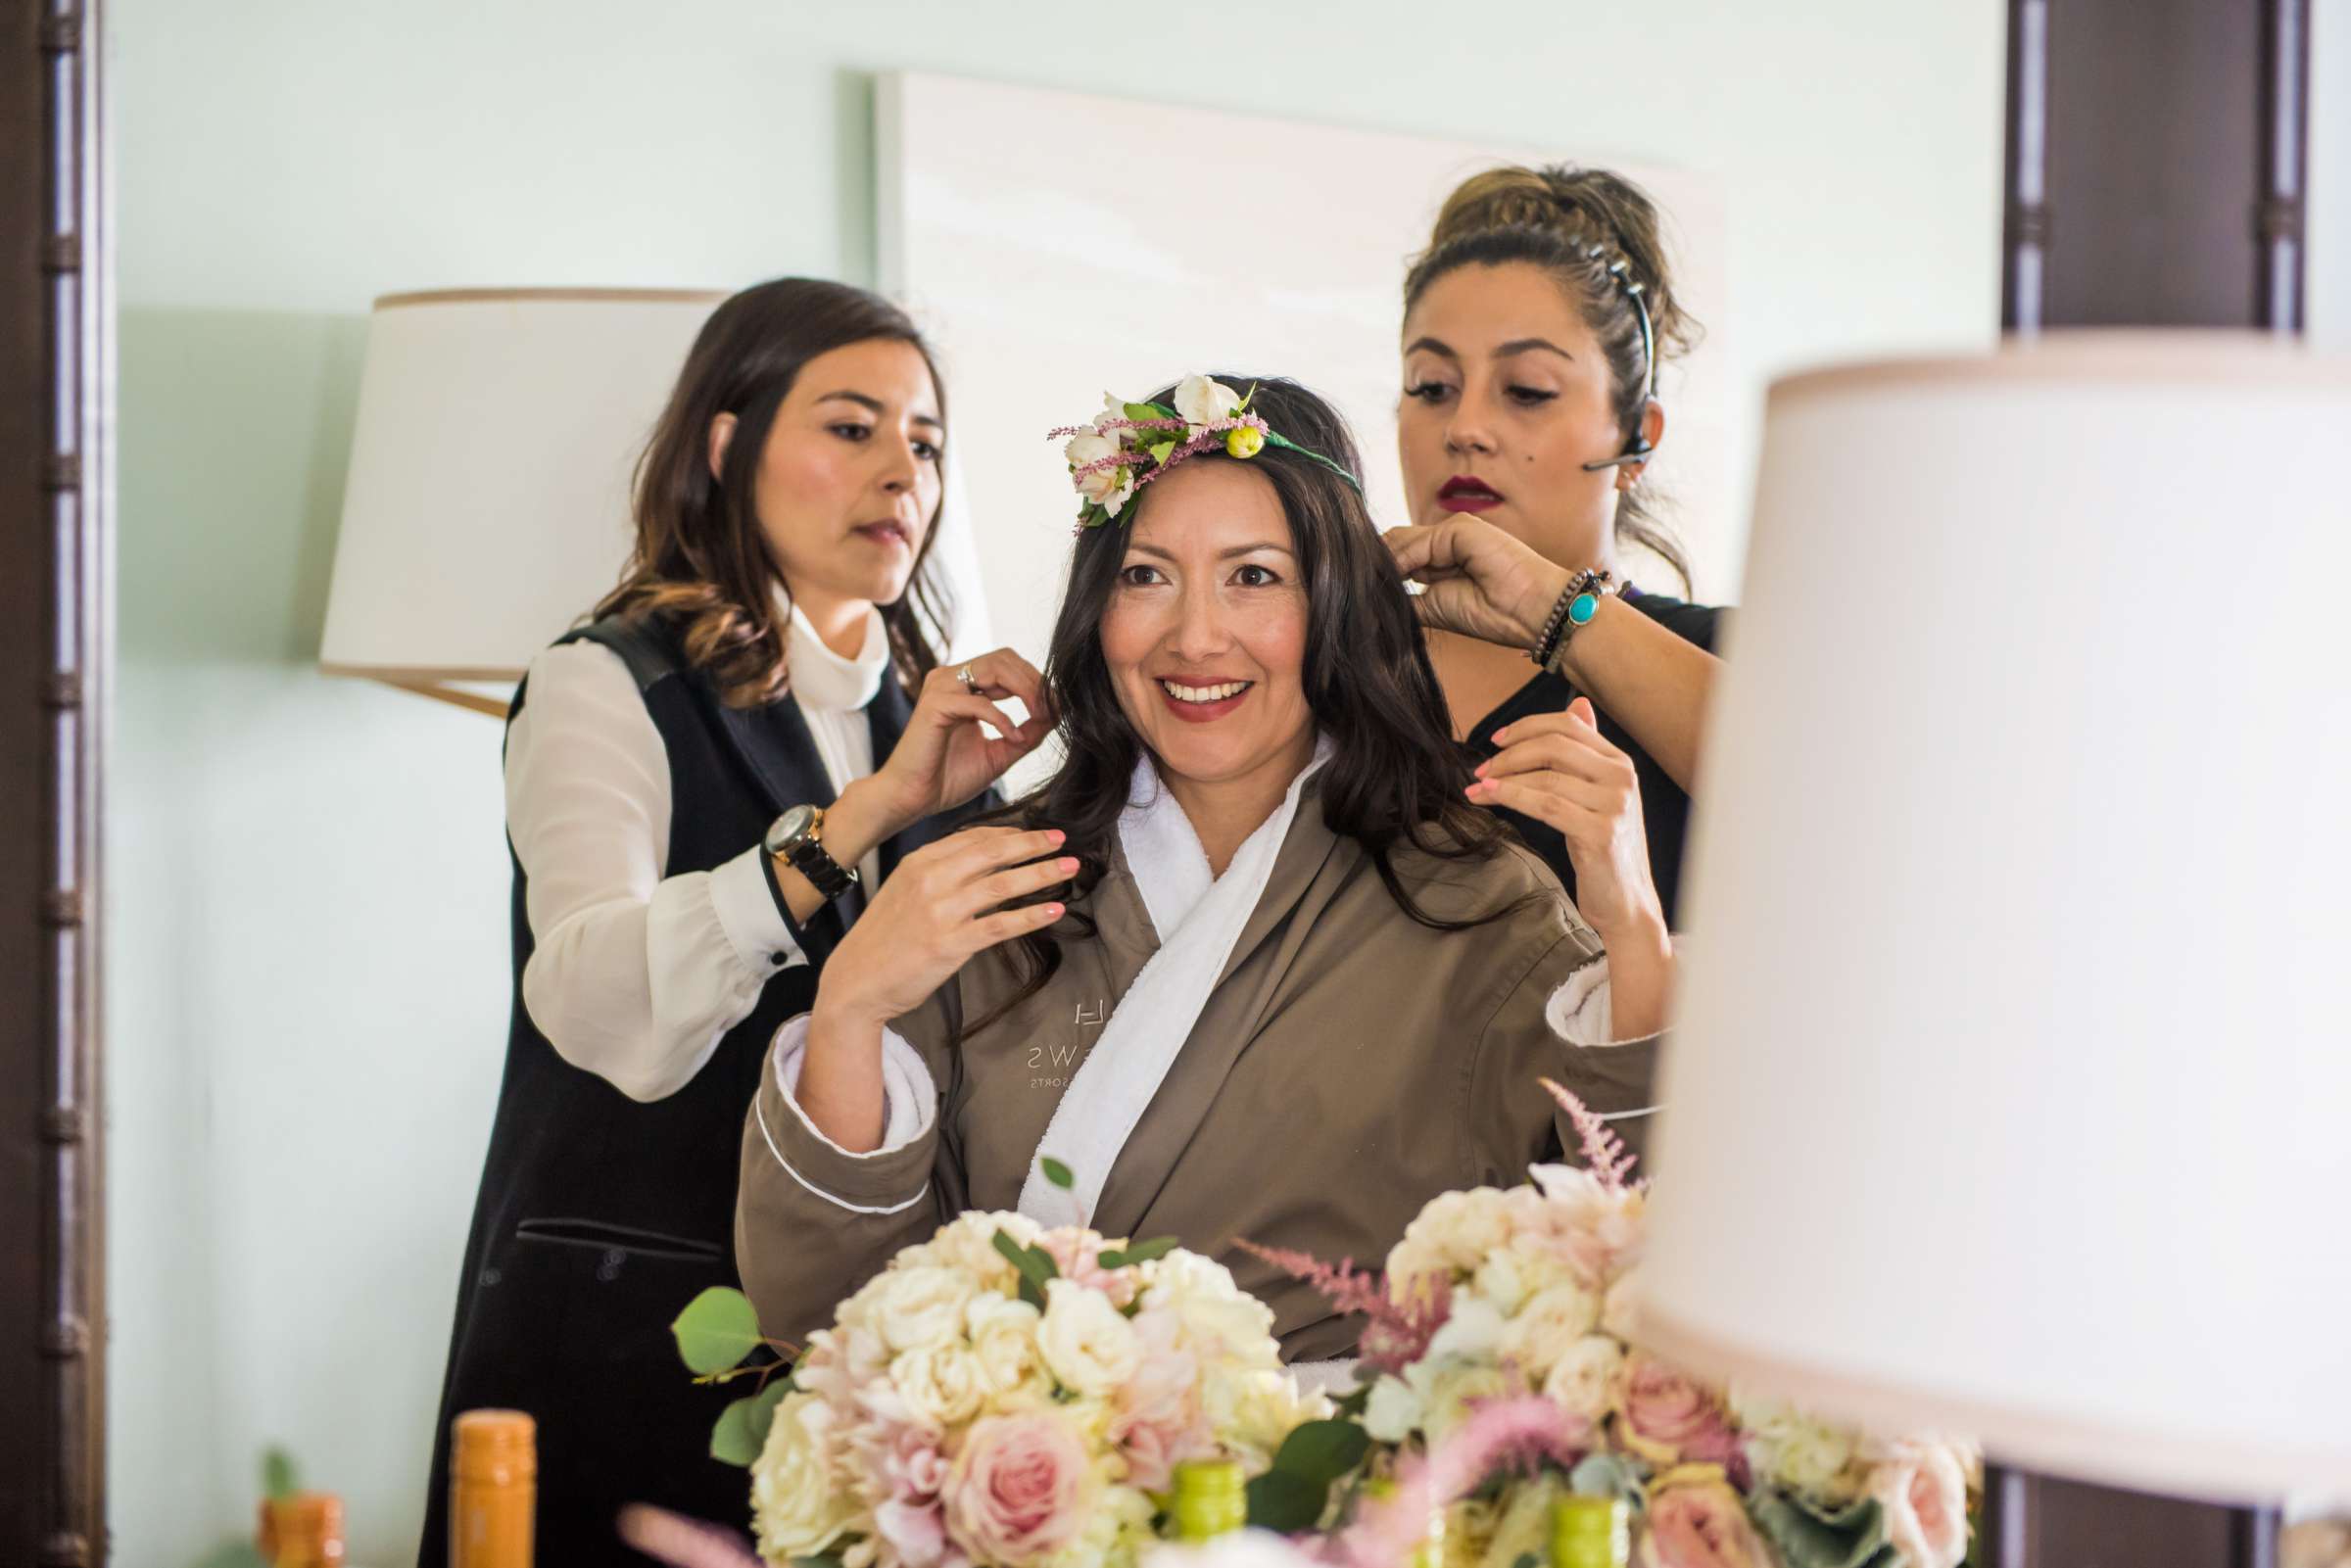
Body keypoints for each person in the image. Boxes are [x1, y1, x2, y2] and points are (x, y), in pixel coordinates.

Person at [735, 374, 1673, 1365]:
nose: (1194, 636)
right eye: (1145, 576)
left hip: (1342, 1507)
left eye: (1254, 576)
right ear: (1097, 610)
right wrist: (846, 1009)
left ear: (1337, 607)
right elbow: (820, 1324)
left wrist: (1632, 926)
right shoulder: (991, 891)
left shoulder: (1481, 909)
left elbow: (1647, 1277)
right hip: (1014, 1496)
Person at [419, 278, 1051, 1566]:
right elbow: (595, 1000)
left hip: (853, 1350)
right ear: (728, 442)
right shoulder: (605, 682)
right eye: (851, 426)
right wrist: (856, 824)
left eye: (924, 442)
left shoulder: (920, 723)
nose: (900, 472)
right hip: (622, 1336)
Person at [1386, 165, 1727, 927]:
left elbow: (1851, 807)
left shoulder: (1722, 660)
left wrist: (1557, 607)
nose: (1464, 427)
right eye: (1432, 386)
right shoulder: (1325, 662)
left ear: (1638, 439)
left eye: (1527, 390)